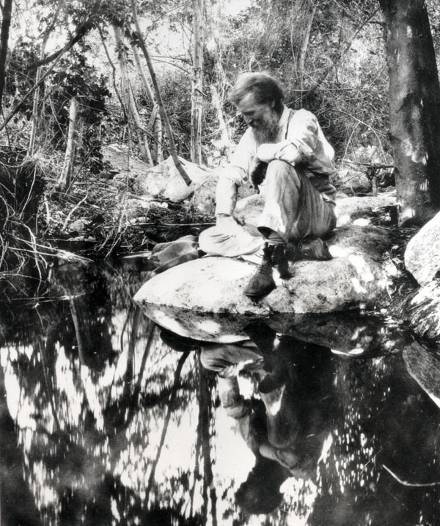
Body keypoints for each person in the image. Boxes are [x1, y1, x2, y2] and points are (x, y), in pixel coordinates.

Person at [201, 72, 337, 300]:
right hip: (283, 221)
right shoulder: (254, 132)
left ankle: (268, 261)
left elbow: (293, 153)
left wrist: (261, 155)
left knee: (278, 166)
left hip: (316, 212)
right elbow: (232, 172)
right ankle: (294, 250)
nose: (247, 120)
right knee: (210, 238)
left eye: (251, 113)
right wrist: (223, 214)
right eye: (244, 115)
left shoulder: (303, 119)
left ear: (272, 102)